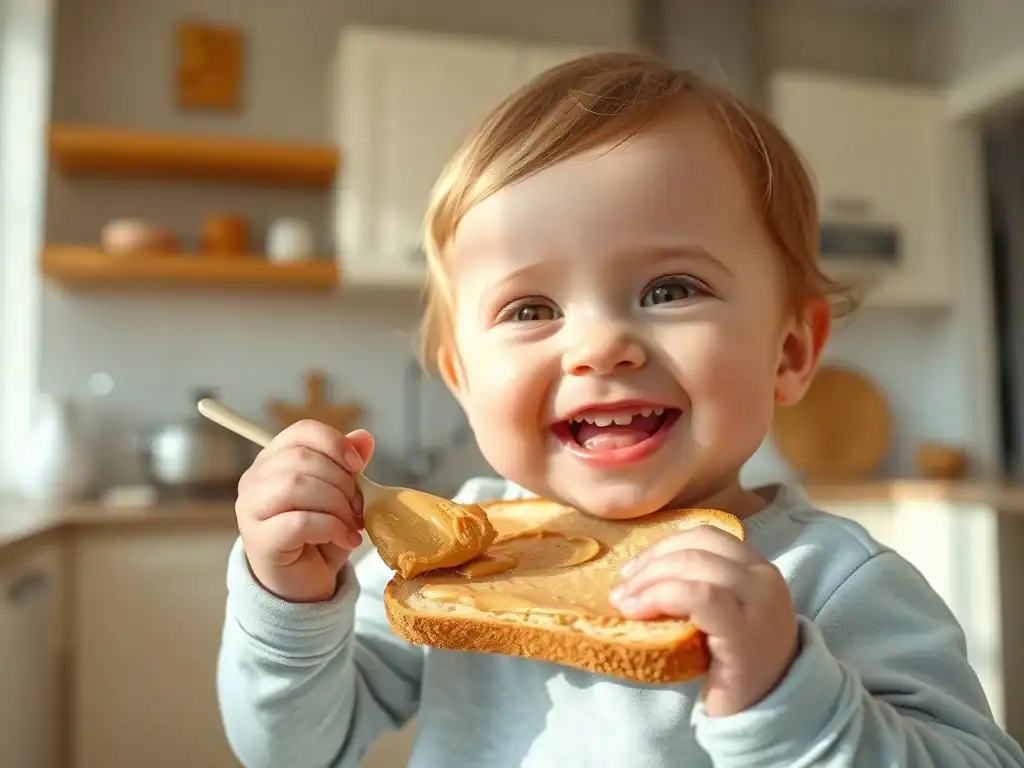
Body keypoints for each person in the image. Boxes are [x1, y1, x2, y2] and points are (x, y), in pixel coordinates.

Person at [216, 52, 1024, 767]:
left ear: (790, 351)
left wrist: (789, 693)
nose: (600, 347)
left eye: (670, 289)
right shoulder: (451, 554)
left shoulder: (837, 583)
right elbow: (293, 749)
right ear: (461, 380)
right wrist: (288, 602)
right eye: (530, 308)